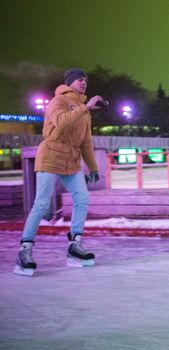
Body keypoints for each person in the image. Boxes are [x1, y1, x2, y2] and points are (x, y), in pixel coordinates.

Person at [14, 68, 106, 276]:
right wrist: (86, 107)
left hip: (71, 161)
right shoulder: (57, 102)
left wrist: (93, 166)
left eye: (86, 80)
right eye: (80, 79)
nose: (84, 83)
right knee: (42, 203)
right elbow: (62, 123)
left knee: (82, 198)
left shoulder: (83, 109)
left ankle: (75, 246)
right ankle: (25, 250)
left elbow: (85, 141)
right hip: (50, 156)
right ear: (70, 82)